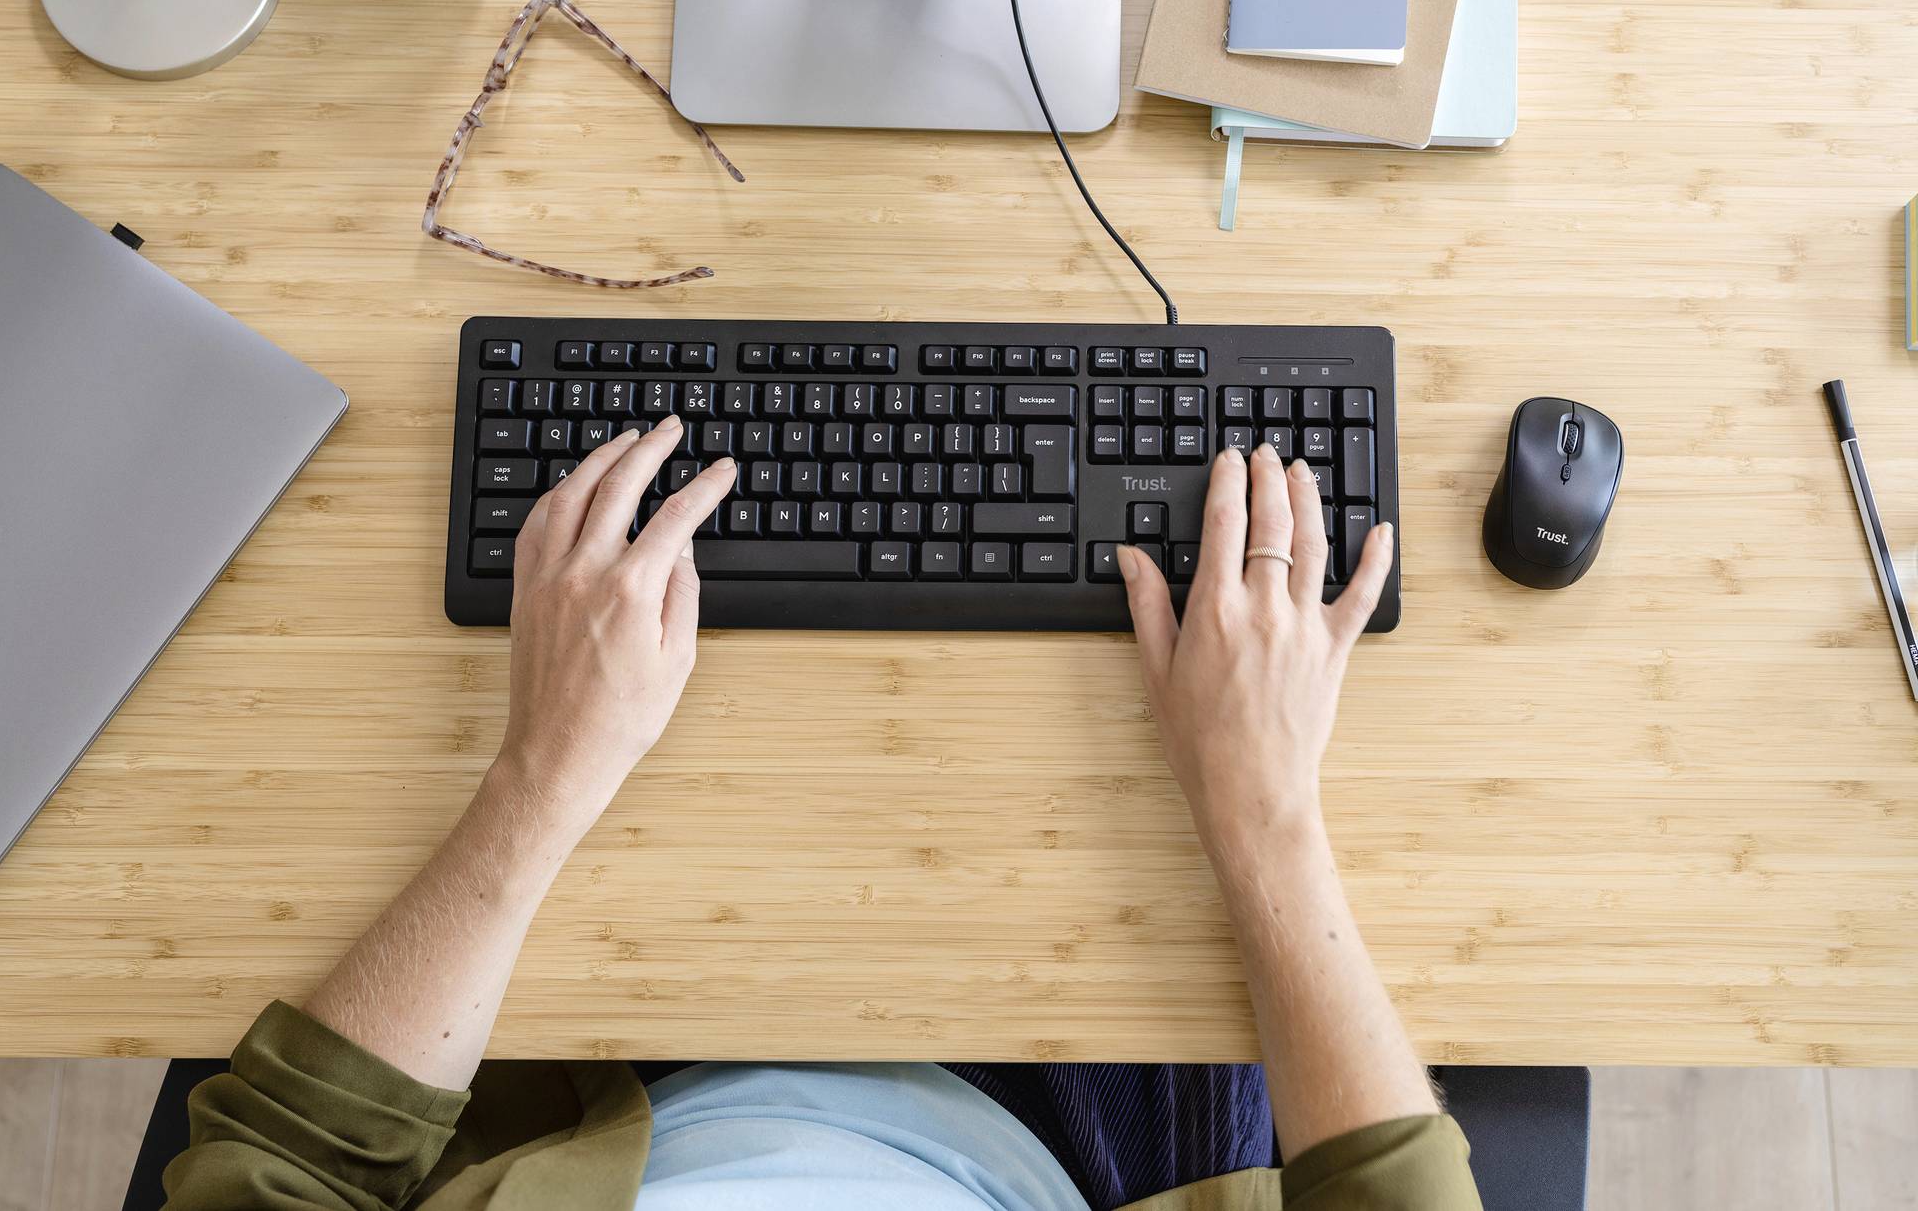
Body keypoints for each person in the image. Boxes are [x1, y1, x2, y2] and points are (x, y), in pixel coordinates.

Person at [161, 418, 1481, 1211]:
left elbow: (279, 1170)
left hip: (590, 1118)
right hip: (1096, 1162)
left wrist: (541, 774)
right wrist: (1264, 816)